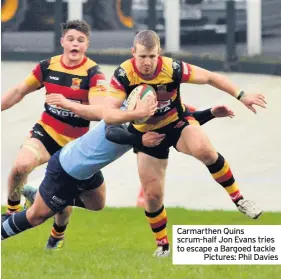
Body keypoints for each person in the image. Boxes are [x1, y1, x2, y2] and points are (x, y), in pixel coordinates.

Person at [103, 30, 266, 257]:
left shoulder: (173, 68)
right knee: (152, 196)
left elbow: (210, 77)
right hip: (146, 135)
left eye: (152, 56)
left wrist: (242, 95)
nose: (147, 62)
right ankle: (162, 245)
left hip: (177, 122)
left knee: (204, 150)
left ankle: (239, 199)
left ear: (159, 53)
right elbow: (108, 116)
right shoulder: (124, 74)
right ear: (133, 53)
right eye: (142, 57)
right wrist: (138, 122)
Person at [1, 98, 234, 242]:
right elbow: (113, 132)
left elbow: (183, 122)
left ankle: (42, 196)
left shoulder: (161, 104)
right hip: (68, 168)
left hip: (89, 171)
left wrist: (212, 112)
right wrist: (142, 139)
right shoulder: (126, 106)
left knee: (97, 204)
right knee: (37, 216)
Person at [1, 20, 108, 249]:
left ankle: (57, 235)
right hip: (46, 133)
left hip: (76, 145)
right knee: (20, 167)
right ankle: (11, 212)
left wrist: (68, 104)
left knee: (89, 202)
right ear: (62, 42)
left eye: (80, 40)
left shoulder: (94, 74)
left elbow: (100, 112)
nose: (74, 44)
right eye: (70, 39)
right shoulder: (48, 66)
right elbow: (19, 91)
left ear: (86, 45)